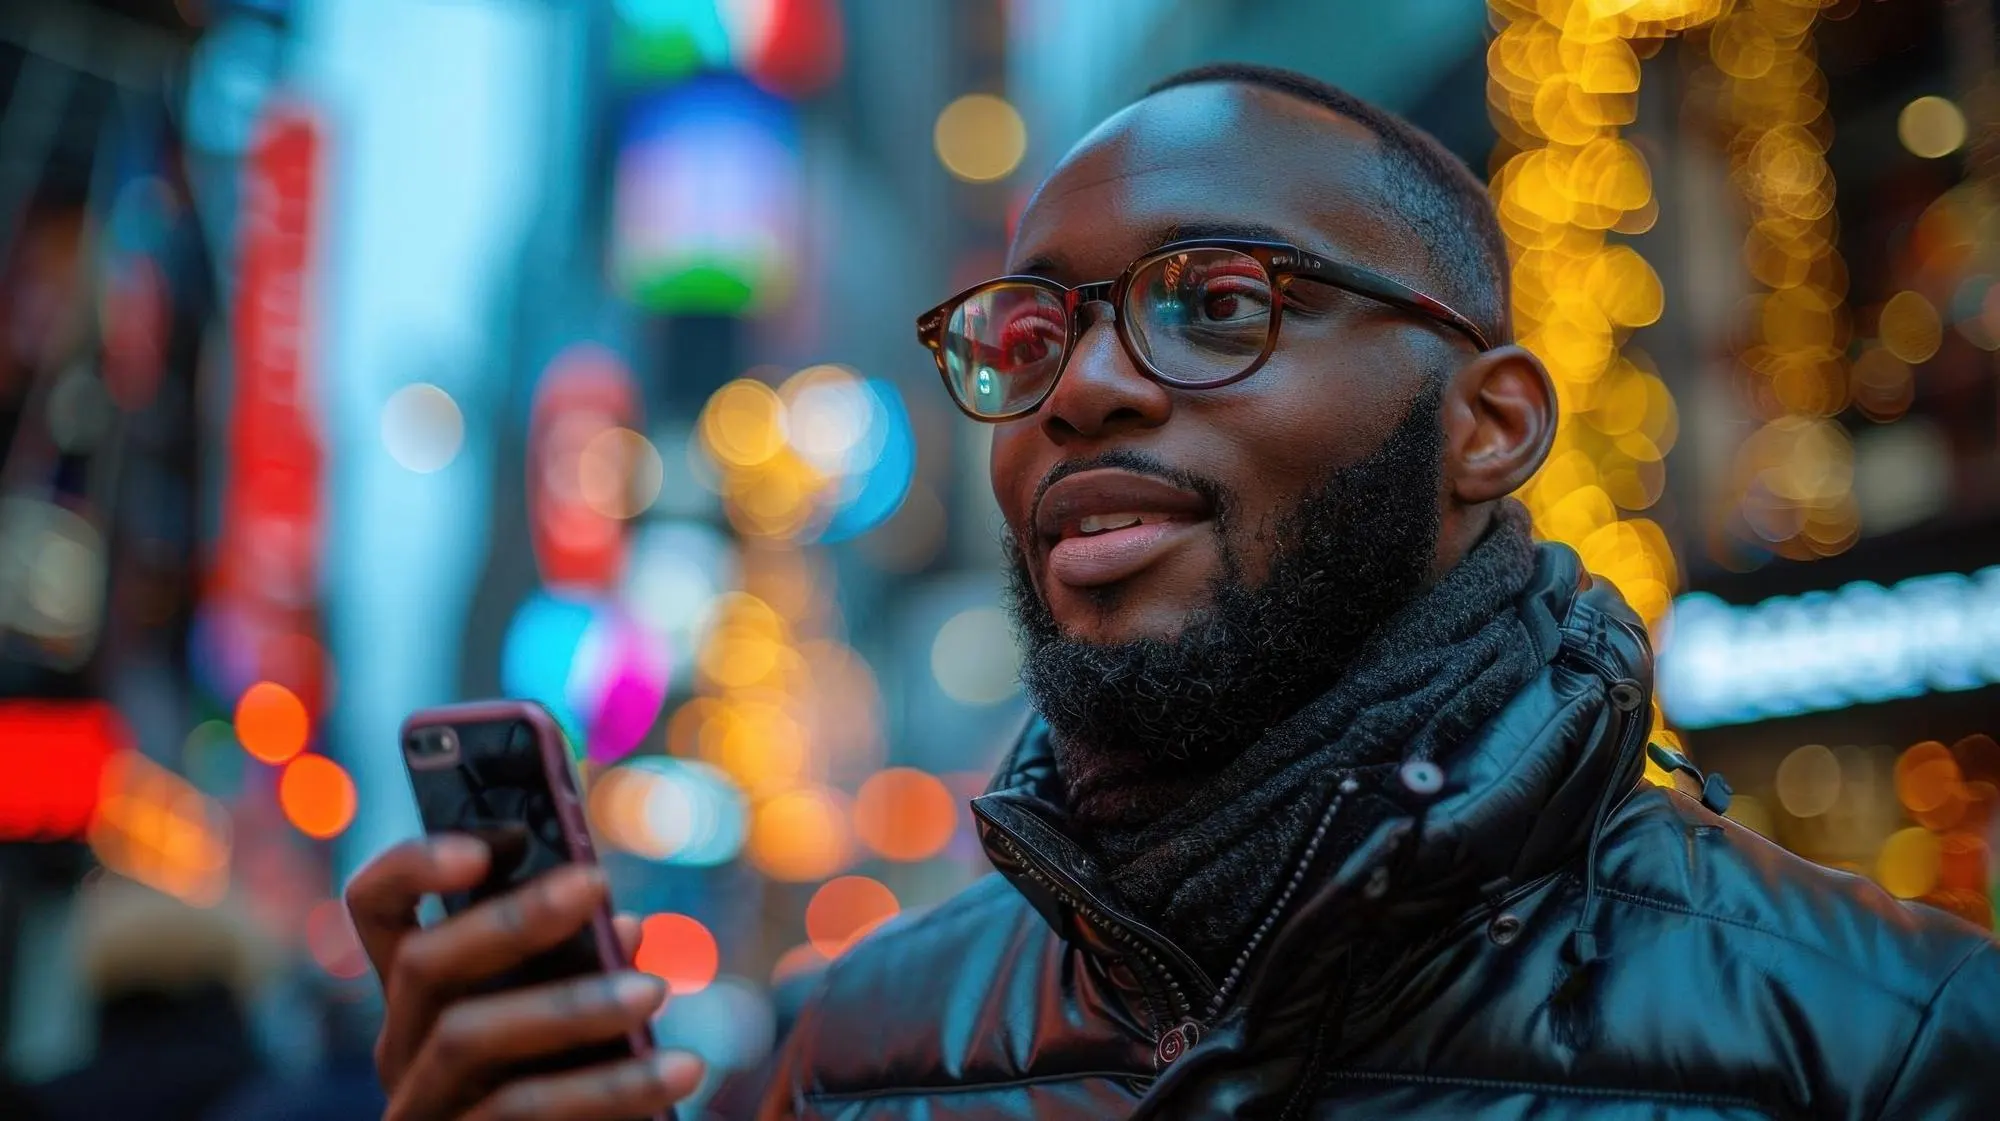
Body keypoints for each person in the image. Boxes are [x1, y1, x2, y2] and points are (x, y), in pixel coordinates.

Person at [345, 63, 2000, 1120]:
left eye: (1214, 304)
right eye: (1026, 336)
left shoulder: (1895, 1043)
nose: (1077, 390)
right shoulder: (829, 1057)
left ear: (1487, 423)